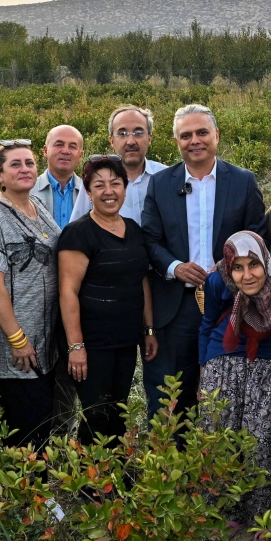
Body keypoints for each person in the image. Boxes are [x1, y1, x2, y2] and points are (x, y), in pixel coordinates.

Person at [140, 103, 268, 414]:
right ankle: (182, 456)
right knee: (179, 390)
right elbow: (150, 239)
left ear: (216, 135)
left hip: (230, 301)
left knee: (228, 385)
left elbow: (257, 236)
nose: (194, 140)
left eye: (202, 132)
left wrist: (228, 268)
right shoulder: (160, 183)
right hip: (179, 306)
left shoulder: (242, 180)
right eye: (186, 135)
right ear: (176, 142)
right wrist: (175, 267)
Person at [198, 231, 271, 522]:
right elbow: (208, 323)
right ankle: (220, 514)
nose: (247, 275)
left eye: (254, 265)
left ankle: (262, 518)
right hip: (225, 360)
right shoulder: (217, 282)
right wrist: (203, 370)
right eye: (238, 266)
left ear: (265, 261)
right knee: (218, 436)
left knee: (263, 441)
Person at [58, 155, 157, 441]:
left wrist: (148, 329)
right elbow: (68, 292)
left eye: (115, 183)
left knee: (118, 412)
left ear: (125, 188)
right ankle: (90, 485)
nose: (108, 192)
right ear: (88, 193)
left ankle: (114, 479)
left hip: (125, 342)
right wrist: (76, 346)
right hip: (93, 344)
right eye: (99, 185)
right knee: (96, 415)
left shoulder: (134, 230)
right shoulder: (77, 234)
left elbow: (142, 281)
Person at [0, 140, 61, 446]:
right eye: (15, 164)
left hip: (45, 337)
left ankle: (37, 489)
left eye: (29, 163)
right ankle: (24, 493)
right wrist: (17, 339)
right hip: (18, 343)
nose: (24, 169)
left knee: (40, 417)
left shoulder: (36, 205)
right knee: (24, 424)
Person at [73, 106, 168, 223]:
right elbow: (76, 228)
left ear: (149, 138)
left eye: (138, 133)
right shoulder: (95, 178)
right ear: (112, 141)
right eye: (122, 134)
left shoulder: (166, 177)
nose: (131, 141)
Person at [31, 124, 86, 228]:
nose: (65, 151)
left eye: (72, 146)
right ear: (45, 151)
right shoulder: (28, 192)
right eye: (59, 144)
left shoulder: (90, 194)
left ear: (80, 156)